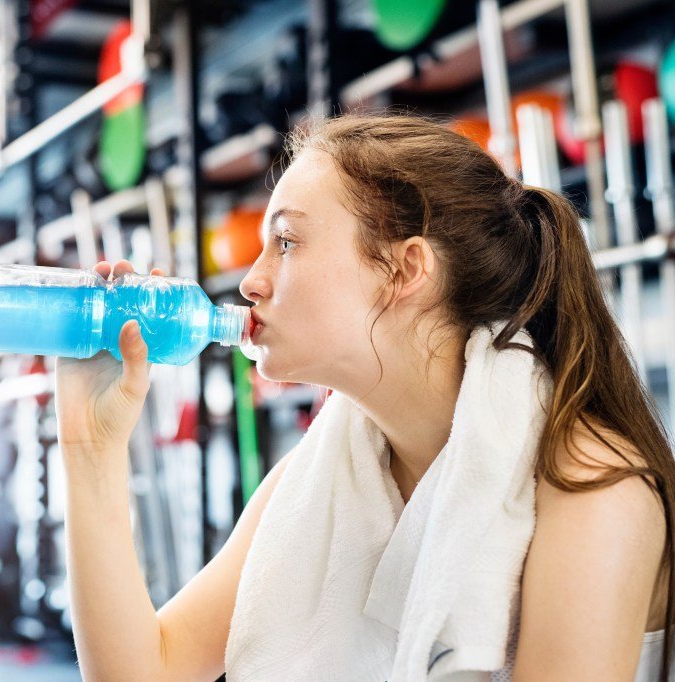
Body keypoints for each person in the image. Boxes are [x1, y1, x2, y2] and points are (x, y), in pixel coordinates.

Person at [54, 113, 674, 680]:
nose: (250, 280)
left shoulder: (593, 489)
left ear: (404, 270)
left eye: (288, 241)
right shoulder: (316, 482)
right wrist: (90, 446)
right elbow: (146, 671)